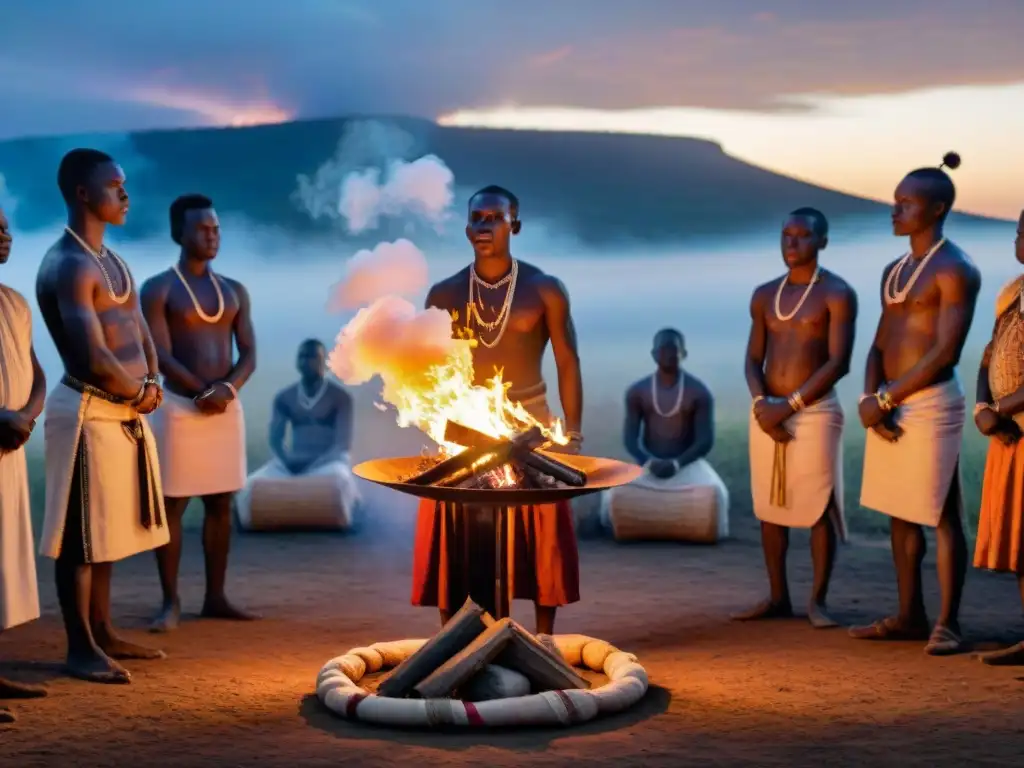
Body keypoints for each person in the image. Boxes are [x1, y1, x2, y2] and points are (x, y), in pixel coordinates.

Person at [411, 185, 582, 635]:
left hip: (533, 427)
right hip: (466, 431)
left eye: (495, 218)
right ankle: (451, 639)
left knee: (543, 531)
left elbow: (568, 360)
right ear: (466, 227)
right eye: (477, 218)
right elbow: (428, 369)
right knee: (448, 521)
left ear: (515, 225)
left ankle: (544, 639)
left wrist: (574, 432)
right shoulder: (445, 293)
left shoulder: (544, 288)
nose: (485, 226)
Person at [35, 148, 170, 684]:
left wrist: (152, 381)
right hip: (88, 411)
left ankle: (104, 630)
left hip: (127, 407)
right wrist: (140, 392)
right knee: (80, 535)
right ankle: (80, 646)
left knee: (107, 529)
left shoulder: (113, 260)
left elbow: (138, 329)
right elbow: (90, 355)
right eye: (116, 185)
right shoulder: (66, 264)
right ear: (84, 194)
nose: (126, 194)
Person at [850, 153, 980, 655]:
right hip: (888, 402)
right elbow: (880, 342)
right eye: (894, 201)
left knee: (942, 512)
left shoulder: (956, 269)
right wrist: (870, 398)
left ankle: (948, 623)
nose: (894, 211)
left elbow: (946, 351)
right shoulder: (894, 270)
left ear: (937, 208)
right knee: (899, 512)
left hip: (929, 404)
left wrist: (886, 397)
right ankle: (910, 614)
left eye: (905, 203)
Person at [733, 208, 857, 628]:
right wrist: (763, 405)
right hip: (767, 411)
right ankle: (777, 596)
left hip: (815, 411)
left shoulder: (837, 293)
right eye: (786, 234)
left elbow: (839, 362)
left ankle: (817, 600)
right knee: (771, 505)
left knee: (818, 502)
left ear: (822, 242)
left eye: (804, 236)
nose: (792, 242)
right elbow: (752, 359)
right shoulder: (764, 294)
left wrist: (789, 406)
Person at [140, 194, 257, 632]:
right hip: (176, 408)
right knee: (171, 505)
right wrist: (201, 391)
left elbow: (248, 352)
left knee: (221, 504)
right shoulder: (159, 288)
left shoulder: (233, 290)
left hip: (224, 407)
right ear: (179, 234)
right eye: (203, 229)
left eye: (216, 228)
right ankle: (170, 601)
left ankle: (215, 597)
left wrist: (226, 388)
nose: (212, 235)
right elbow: (159, 354)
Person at [602, 328, 729, 542]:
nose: (668, 354)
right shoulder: (638, 391)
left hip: (688, 465)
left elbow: (705, 441)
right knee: (613, 495)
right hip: (649, 465)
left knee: (716, 494)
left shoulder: (698, 392)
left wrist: (677, 464)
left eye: (674, 349)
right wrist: (648, 462)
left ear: (684, 353)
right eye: (663, 349)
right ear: (653, 354)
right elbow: (630, 438)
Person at [0, 206, 48, 723]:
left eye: (8, 227)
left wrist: (26, 417)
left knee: (2, 554)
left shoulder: (14, 303)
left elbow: (35, 372)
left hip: (10, 445)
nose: (4, 236)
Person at [971, 208, 1024, 666]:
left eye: (1023, 232)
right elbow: (988, 357)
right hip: (1009, 435)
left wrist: (998, 409)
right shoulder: (1013, 295)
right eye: (1016, 231)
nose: (1017, 240)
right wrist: (982, 407)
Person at [235, 339, 359, 530]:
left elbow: (342, 444)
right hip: (293, 461)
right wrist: (287, 460)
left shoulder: (340, 397)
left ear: (325, 363)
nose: (306, 362)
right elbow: (275, 439)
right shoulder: (285, 397)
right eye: (302, 357)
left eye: (312, 357)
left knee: (338, 485)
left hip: (329, 462)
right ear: (296, 362)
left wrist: (314, 462)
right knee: (250, 486)